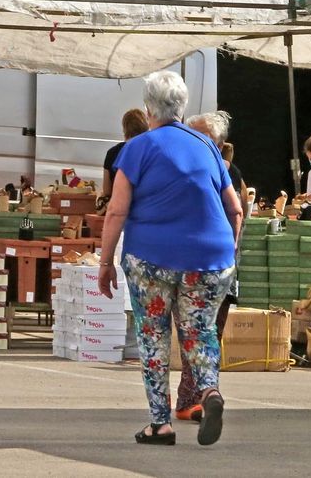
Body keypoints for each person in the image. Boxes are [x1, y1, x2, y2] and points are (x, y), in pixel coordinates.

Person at [97, 72, 242, 449]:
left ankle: (160, 425)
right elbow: (235, 208)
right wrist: (227, 250)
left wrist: (105, 261)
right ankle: (208, 391)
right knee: (198, 331)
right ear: (182, 106)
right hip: (210, 260)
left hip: (151, 258)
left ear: (148, 110)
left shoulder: (138, 147)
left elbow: (116, 210)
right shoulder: (208, 146)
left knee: (153, 336)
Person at [175, 110, 247, 422]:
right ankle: (201, 396)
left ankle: (196, 399)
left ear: (215, 143)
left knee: (199, 333)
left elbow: (236, 213)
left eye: (198, 135)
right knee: (201, 334)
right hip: (207, 266)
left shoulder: (217, 172)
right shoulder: (198, 168)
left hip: (207, 267)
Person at [100, 108, 149, 207]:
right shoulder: (150, 151)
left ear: (125, 128)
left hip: (120, 208)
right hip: (144, 209)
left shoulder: (112, 153)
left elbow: (107, 191)